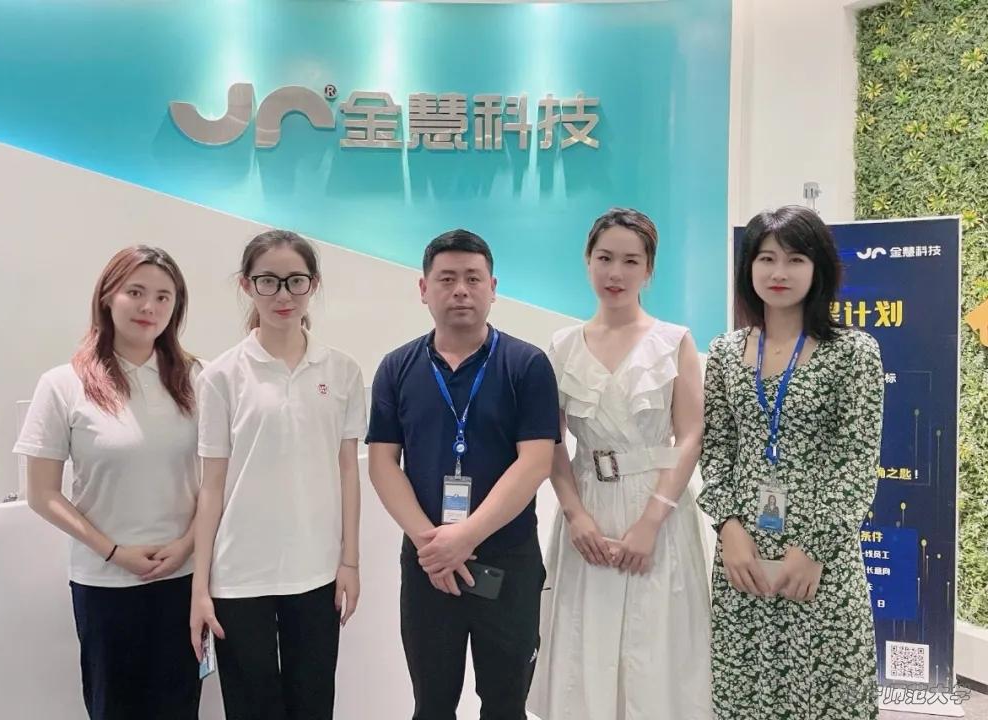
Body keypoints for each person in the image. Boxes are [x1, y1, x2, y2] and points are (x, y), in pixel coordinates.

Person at [366, 229, 560, 720]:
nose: (460, 290)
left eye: (473, 279)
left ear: (493, 288)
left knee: (506, 705)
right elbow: (383, 463)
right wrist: (433, 545)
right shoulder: (397, 367)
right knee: (431, 705)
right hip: (428, 564)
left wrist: (466, 536)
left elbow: (536, 461)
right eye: (447, 278)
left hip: (508, 562)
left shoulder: (527, 364)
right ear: (423, 289)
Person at [698, 205, 883, 719]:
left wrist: (813, 549)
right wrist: (728, 529)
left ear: (818, 268)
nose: (779, 272)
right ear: (749, 267)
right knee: (747, 694)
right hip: (743, 559)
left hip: (820, 560)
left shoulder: (854, 352)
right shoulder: (725, 352)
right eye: (766, 258)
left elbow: (857, 462)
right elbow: (717, 451)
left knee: (827, 695)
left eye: (795, 259)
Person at [528, 208, 712, 720]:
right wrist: (575, 516)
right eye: (605, 258)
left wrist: (651, 521)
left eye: (631, 261)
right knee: (586, 637)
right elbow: (552, 441)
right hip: (588, 506)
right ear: (587, 261)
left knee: (656, 644)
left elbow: (690, 434)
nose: (616, 273)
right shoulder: (562, 346)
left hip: (660, 507)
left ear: (648, 270)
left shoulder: (674, 341)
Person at [15, 246, 201, 720]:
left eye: (163, 297)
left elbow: (219, 478)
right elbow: (42, 493)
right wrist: (114, 552)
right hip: (105, 582)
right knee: (114, 707)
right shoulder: (63, 384)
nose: (149, 307)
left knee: (180, 705)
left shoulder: (196, 378)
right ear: (107, 297)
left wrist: (187, 544)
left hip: (183, 577)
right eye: (135, 292)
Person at [189, 229, 364, 720]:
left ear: (313, 284)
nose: (283, 295)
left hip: (317, 571)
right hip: (239, 576)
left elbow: (348, 473)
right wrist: (200, 588)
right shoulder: (221, 376)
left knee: (313, 704)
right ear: (247, 285)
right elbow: (212, 487)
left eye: (295, 281)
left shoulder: (342, 371)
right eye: (268, 281)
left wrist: (350, 562)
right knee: (252, 708)